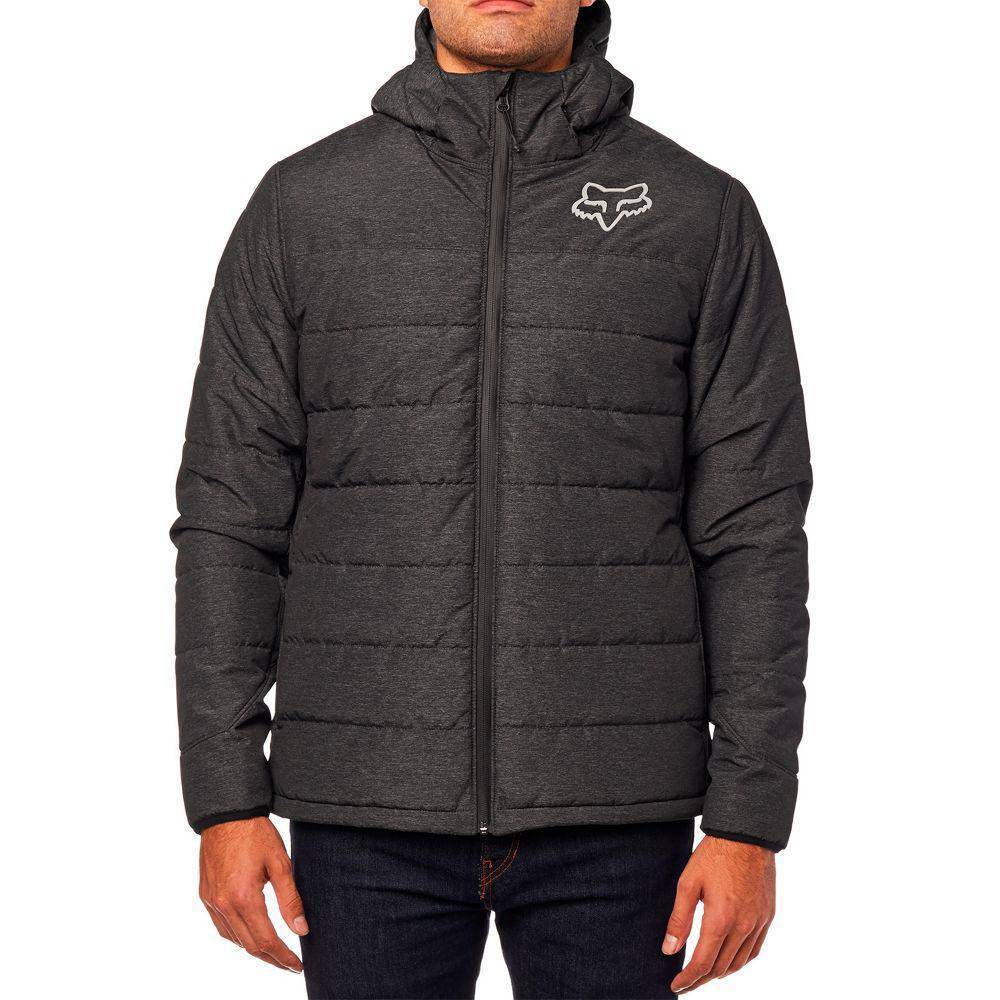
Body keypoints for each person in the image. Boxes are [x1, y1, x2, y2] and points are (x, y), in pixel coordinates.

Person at [172, 1, 811, 996]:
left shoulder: (698, 212)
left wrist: (748, 820)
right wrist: (225, 801)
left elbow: (754, 529)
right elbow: (229, 518)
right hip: (362, 814)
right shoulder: (305, 206)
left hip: (618, 819)